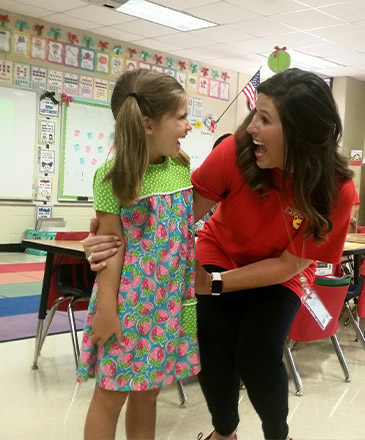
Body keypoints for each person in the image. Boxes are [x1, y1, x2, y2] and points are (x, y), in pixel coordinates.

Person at [83, 68, 355, 440]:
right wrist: (106, 229)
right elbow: (173, 215)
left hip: (277, 274)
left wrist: (213, 284)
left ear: (299, 132)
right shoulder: (236, 150)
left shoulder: (335, 189)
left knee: (258, 353)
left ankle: (279, 434)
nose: (250, 127)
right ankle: (223, 432)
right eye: (254, 114)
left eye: (264, 119)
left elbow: (289, 265)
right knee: (211, 345)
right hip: (208, 259)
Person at [76, 68, 200, 440]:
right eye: (180, 117)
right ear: (148, 124)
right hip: (126, 307)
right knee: (110, 395)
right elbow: (110, 250)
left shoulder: (180, 165)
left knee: (147, 395)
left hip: (167, 306)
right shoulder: (111, 176)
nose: (188, 125)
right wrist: (106, 311)